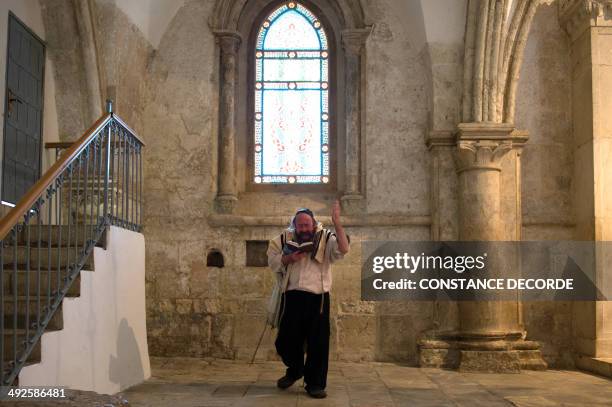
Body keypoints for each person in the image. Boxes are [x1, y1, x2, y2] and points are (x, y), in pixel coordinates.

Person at [266, 200, 350, 399]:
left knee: (318, 343)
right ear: (294, 225)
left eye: (307, 225)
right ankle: (295, 370)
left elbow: (344, 249)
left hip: (318, 298)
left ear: (313, 225)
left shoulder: (326, 237)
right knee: (285, 341)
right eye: (300, 225)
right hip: (292, 296)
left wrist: (337, 222)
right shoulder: (284, 238)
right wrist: (288, 259)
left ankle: (315, 384)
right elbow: (272, 261)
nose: (304, 229)